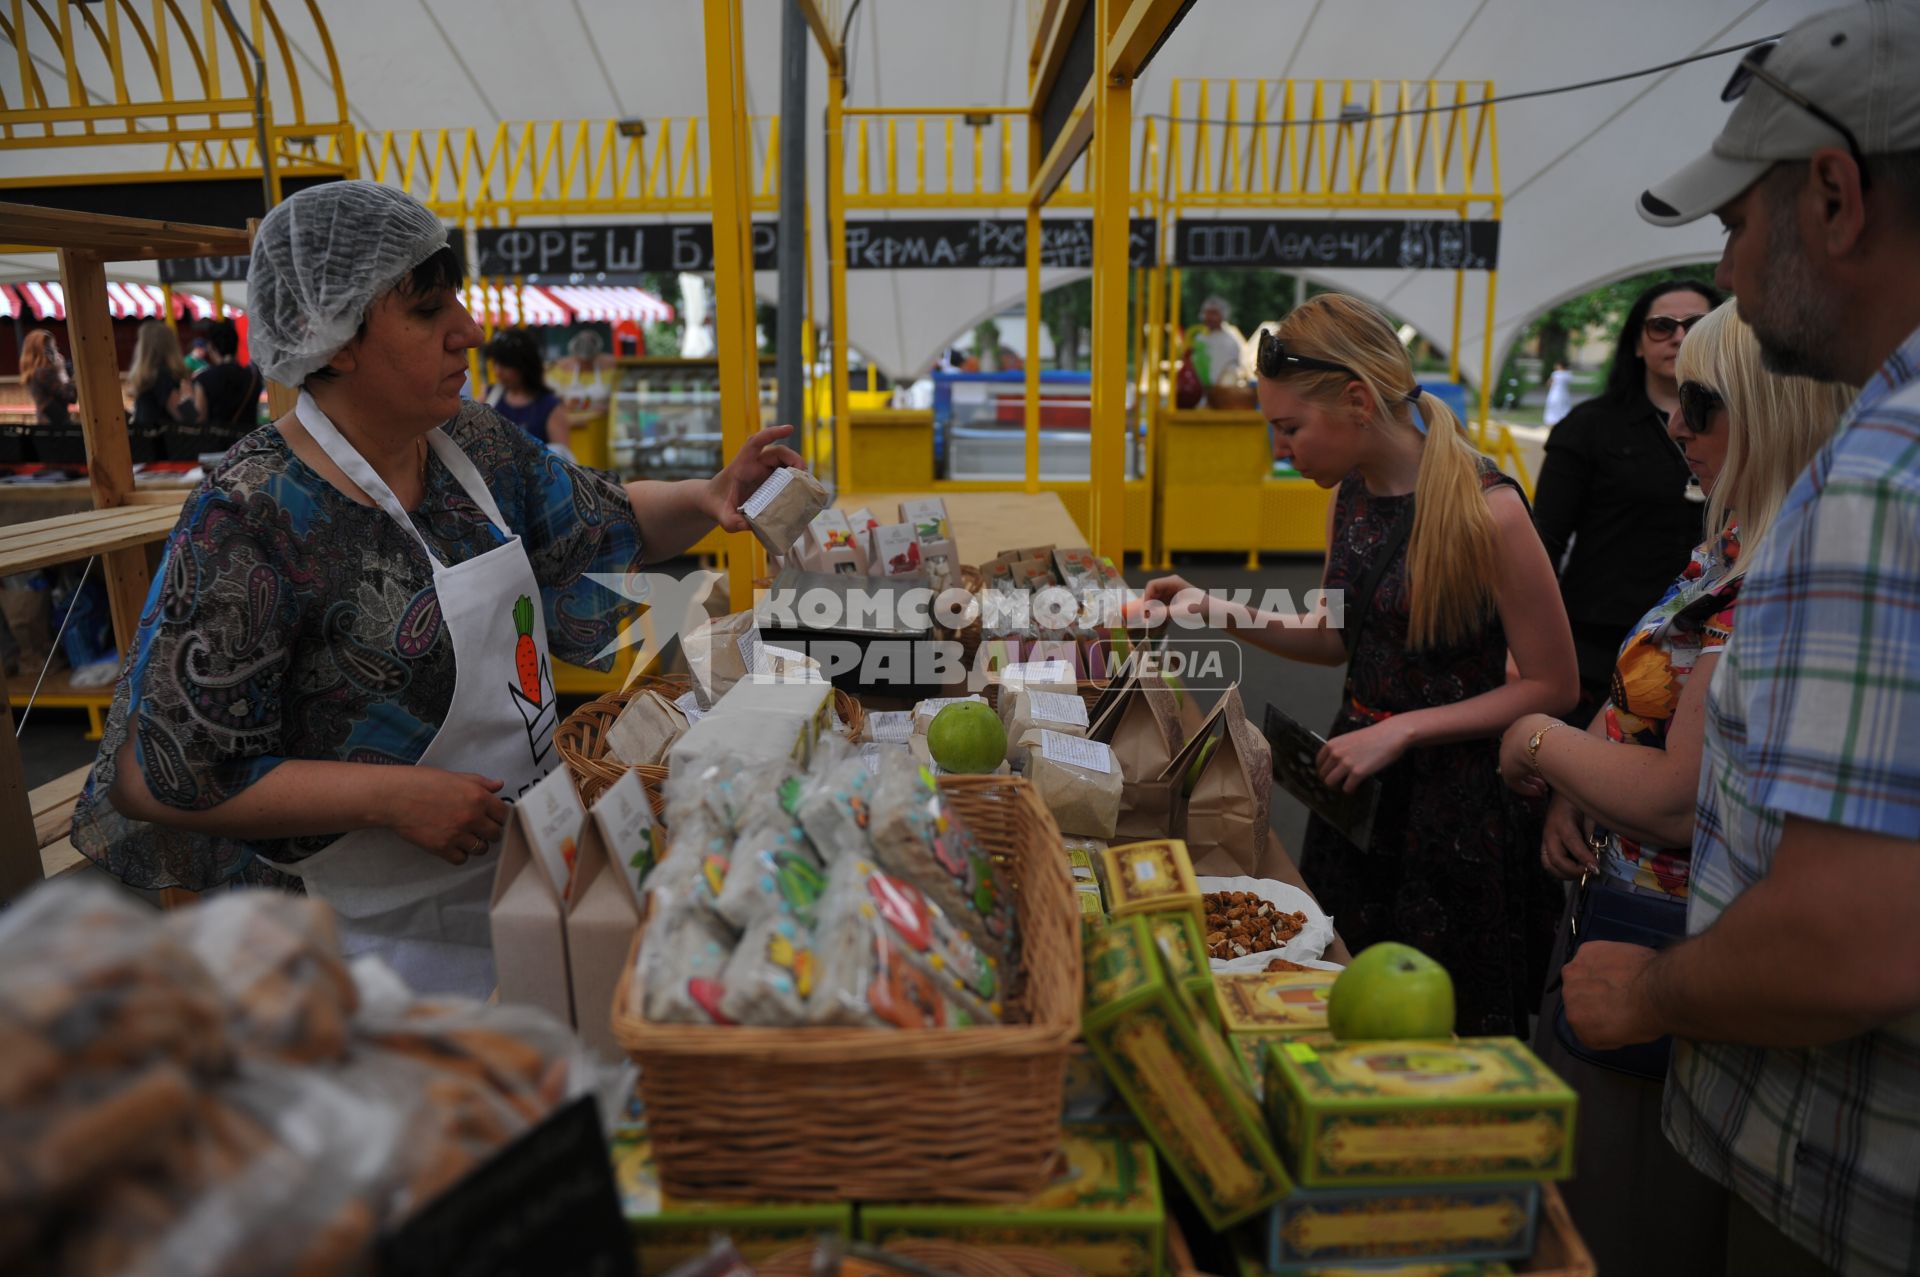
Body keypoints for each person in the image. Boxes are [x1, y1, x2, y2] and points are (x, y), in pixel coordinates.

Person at [70, 181, 802, 999]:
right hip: (358, 948)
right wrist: (388, 797)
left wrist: (708, 496)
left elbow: (602, 517)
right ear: (333, 336)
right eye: (427, 311)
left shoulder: (467, 443)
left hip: (528, 874)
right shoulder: (249, 516)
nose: (470, 329)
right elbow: (158, 773)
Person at [1563, 8, 1920, 1275]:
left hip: (1842, 1193)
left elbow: (1855, 934)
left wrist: (1646, 991)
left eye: (1735, 222)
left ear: (1835, 195)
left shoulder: (1883, 474)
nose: (1725, 273)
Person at [1497, 301, 1851, 1277]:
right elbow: (1650, 727)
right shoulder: (1733, 535)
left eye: (1700, 402)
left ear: (1772, 410)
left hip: (1678, 951)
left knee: (1617, 1219)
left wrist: (1534, 741)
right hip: (1631, 915)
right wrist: (1587, 770)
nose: (1675, 425)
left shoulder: (1774, 566)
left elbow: (1672, 797)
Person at [1139, 294, 1578, 1034]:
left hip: (1456, 817)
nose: (1282, 449)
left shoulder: (1490, 510)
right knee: (1344, 1000)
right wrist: (1206, 606)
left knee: (1444, 1028)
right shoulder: (1352, 491)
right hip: (1359, 794)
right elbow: (1336, 634)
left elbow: (1553, 683)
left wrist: (1402, 730)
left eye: (1289, 428)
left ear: (1356, 401)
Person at [1531, 278, 1723, 718]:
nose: (1679, 335)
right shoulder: (1587, 427)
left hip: (1709, 647)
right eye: (1661, 326)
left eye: (1696, 324)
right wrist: (1523, 647)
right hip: (1598, 650)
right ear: (1636, 344)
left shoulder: (1746, 429)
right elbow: (1543, 544)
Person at [481, 327, 572, 457]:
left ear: (524, 366)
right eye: (495, 363)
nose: (497, 371)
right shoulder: (488, 396)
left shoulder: (550, 407)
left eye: (505, 365)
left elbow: (562, 459)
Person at [128, 319, 205, 462]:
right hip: (163, 451)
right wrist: (189, 398)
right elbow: (188, 418)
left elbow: (183, 415)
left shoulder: (152, 377)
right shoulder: (163, 376)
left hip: (148, 450)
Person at [192, 319, 263, 455]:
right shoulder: (253, 377)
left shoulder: (204, 378)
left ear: (211, 347)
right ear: (236, 344)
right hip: (249, 447)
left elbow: (199, 418)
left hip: (217, 450)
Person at [20, 329, 75, 441]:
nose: (57, 352)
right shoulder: (43, 373)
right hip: (55, 431)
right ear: (44, 351)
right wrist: (62, 372)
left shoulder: (35, 372)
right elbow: (71, 396)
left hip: (46, 429)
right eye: (53, 348)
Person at [1188, 294, 1249, 390]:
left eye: (1214, 313)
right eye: (1207, 313)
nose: (1209, 317)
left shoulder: (1230, 341)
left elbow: (1232, 371)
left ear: (1222, 315)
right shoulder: (1199, 338)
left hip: (1221, 395)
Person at [1542, 359, 1575, 426]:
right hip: (1564, 394)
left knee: (1553, 408)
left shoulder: (1556, 374)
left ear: (1560, 366)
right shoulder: (1569, 374)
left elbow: (1549, 383)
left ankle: (1552, 422)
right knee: (1564, 408)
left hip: (1555, 394)